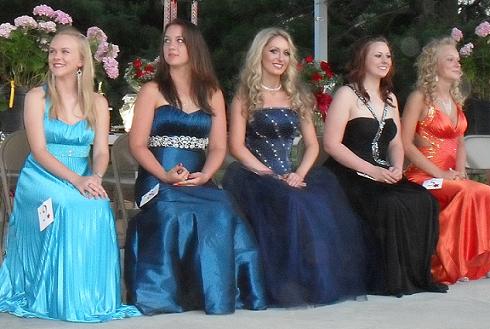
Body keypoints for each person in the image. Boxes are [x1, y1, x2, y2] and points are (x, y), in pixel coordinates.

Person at [124, 19, 266, 315]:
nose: (171, 47)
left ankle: (214, 293)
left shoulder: (212, 92)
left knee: (223, 208)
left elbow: (217, 147)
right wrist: (163, 174)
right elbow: (136, 144)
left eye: (180, 41)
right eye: (167, 41)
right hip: (157, 178)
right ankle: (165, 295)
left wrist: (206, 174)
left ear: (195, 47)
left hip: (199, 179)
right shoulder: (152, 90)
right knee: (171, 211)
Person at [0, 27, 140, 322]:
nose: (56, 57)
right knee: (66, 204)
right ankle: (58, 297)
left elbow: (101, 151)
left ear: (81, 61)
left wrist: (95, 177)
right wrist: (76, 181)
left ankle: (92, 298)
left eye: (64, 52)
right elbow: (39, 150)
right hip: (41, 176)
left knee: (99, 205)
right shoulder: (37, 98)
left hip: (84, 173)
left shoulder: (98, 103)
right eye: (52, 51)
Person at [221, 27, 368, 306]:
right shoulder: (244, 96)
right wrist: (270, 175)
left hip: (292, 174)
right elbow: (236, 146)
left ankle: (310, 283)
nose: (280, 58)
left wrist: (298, 173)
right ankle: (282, 285)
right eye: (273, 51)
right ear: (259, 54)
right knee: (291, 204)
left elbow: (313, 145)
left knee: (317, 202)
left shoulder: (296, 94)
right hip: (256, 175)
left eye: (286, 53)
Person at [322, 36, 447, 296]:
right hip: (348, 173)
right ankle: (389, 279)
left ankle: (413, 276)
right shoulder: (347, 94)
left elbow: (396, 144)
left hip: (382, 171)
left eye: (388, 56)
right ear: (362, 60)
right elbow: (332, 145)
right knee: (388, 205)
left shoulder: (390, 98)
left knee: (424, 200)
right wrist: (372, 171)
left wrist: (397, 168)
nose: (384, 60)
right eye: (377, 55)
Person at [402, 36, 490, 284]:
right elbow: (406, 144)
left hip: (450, 176)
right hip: (422, 176)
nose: (457, 64)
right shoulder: (419, 98)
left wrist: (460, 171)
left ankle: (465, 260)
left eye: (458, 60)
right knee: (465, 193)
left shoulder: (455, 102)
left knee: (488, 193)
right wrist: (440, 174)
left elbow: (461, 143)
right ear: (434, 66)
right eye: (450, 60)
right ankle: (443, 265)